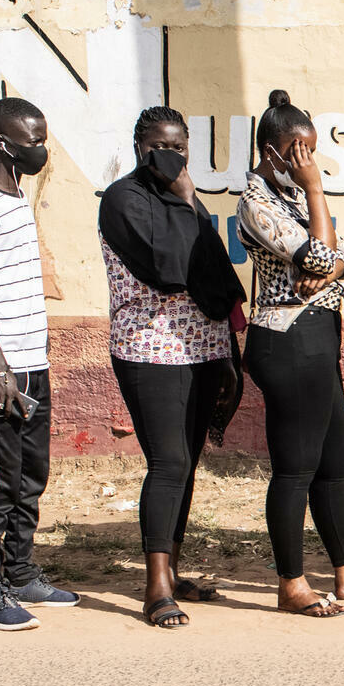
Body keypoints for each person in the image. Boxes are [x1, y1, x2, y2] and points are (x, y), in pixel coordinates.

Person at [238, 89, 344, 618]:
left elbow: (340, 259)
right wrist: (317, 193)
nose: (306, 162)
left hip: (319, 331)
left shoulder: (296, 201)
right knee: (295, 467)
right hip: (287, 337)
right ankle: (291, 584)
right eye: (297, 151)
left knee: (334, 464)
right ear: (270, 150)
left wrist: (331, 262)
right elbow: (324, 253)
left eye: (311, 151)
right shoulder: (257, 203)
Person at [100, 105, 244, 630]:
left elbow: (216, 267)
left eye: (180, 146)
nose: (172, 155)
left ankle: (174, 569)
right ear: (140, 147)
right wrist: (187, 201)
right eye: (161, 145)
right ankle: (155, 586)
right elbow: (166, 266)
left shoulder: (186, 195)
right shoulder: (124, 199)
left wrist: (229, 351)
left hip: (203, 345)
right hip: (150, 348)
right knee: (168, 463)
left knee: (187, 462)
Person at [0, 96, 79, 631]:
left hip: (34, 360)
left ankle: (22, 571)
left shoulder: (17, 198)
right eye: (35, 141)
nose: (42, 151)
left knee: (32, 473)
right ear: (4, 143)